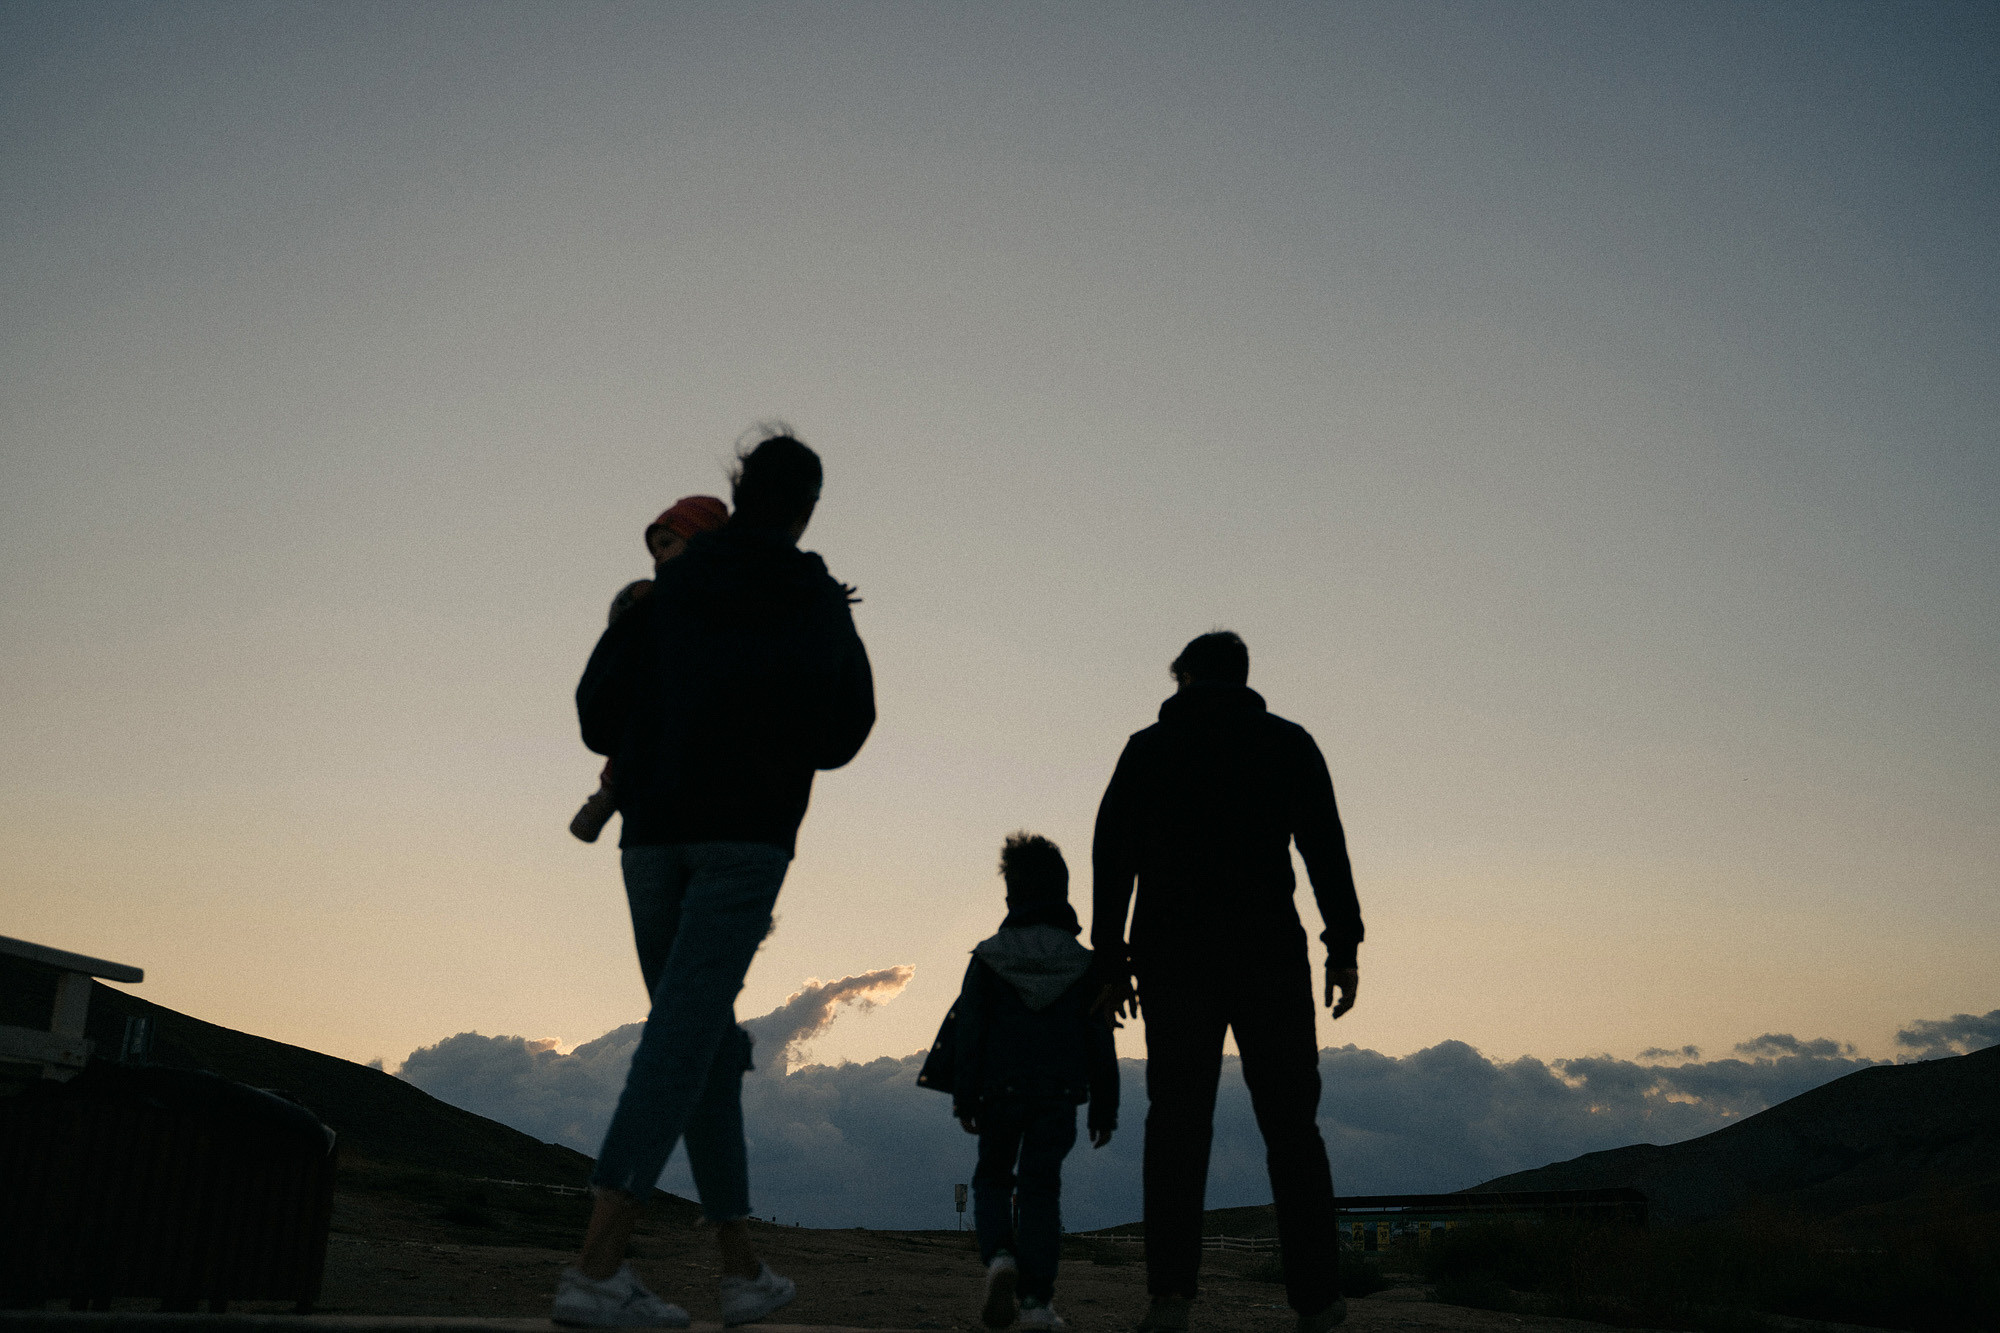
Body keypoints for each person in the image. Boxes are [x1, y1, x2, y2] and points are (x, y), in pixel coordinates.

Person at [555, 431, 876, 1328]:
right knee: (683, 1032)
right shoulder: (811, 595)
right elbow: (850, 729)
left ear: (738, 490)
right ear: (808, 505)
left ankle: (741, 1271)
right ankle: (594, 1266)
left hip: (651, 838)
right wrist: (774, 741)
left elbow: (595, 716)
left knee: (698, 1042)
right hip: (746, 838)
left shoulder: (670, 590)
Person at [1091, 631, 1362, 1333]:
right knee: (1293, 1127)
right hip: (1267, 949)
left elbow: (1111, 851)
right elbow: (1324, 845)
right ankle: (1316, 1300)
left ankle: (1171, 1298)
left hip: (1172, 952)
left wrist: (1110, 953)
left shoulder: (1148, 749)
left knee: (1176, 1123)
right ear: (1243, 678)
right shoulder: (1288, 743)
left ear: (1184, 678)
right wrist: (1343, 942)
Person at [952, 833, 1119, 1332]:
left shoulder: (987, 958)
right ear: (1063, 896)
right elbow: (1099, 1039)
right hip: (1059, 1096)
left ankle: (1001, 1257)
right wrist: (1104, 1108)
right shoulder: (1085, 964)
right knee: (1042, 1190)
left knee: (993, 1178)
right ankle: (1036, 1305)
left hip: (998, 1092)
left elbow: (970, 1031)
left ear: (1010, 897)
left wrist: (964, 1096)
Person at [570, 495, 732, 844]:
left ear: (701, 540)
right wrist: (632, 600)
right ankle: (606, 794)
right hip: (651, 759)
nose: (658, 555)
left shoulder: (732, 601)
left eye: (667, 543)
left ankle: (607, 795)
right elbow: (617, 627)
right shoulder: (648, 599)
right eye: (655, 548)